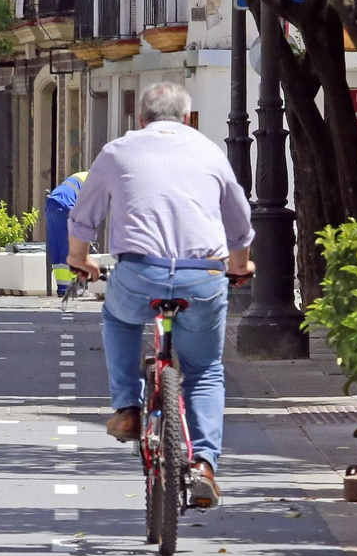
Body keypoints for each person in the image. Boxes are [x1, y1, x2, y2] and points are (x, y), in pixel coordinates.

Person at [66, 81, 254, 509]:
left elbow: (83, 217)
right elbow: (240, 219)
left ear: (141, 118)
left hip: (139, 272)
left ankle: (128, 408)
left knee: (119, 317)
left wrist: (81, 260)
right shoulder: (210, 152)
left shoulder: (117, 151)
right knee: (204, 371)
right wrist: (240, 265)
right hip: (202, 276)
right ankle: (204, 463)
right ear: (187, 118)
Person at [46, 171, 89, 296]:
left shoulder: (83, 175)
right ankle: (75, 287)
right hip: (67, 206)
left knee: (57, 246)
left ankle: (63, 288)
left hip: (52, 203)